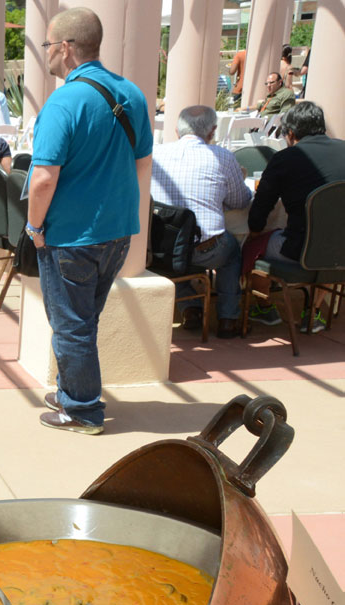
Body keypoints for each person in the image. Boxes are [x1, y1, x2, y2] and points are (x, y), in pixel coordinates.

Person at [26, 7, 153, 435]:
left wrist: (34, 228)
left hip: (71, 235)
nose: (45, 52)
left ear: (65, 47)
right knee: (83, 319)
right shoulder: (131, 93)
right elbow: (142, 163)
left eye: (47, 44)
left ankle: (82, 410)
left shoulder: (63, 102)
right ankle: (72, 391)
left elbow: (43, 177)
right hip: (116, 231)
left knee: (71, 324)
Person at [150, 105, 251, 339]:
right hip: (206, 250)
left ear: (176, 130)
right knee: (232, 252)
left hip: (161, 247)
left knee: (172, 255)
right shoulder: (222, 156)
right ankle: (227, 318)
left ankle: (190, 308)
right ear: (212, 131)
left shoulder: (156, 153)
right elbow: (241, 201)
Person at [248, 101, 345, 333]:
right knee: (332, 240)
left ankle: (264, 307)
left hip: (300, 251)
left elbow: (260, 209)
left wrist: (254, 231)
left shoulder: (285, 159)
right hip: (341, 251)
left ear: (290, 133)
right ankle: (314, 311)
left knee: (253, 246)